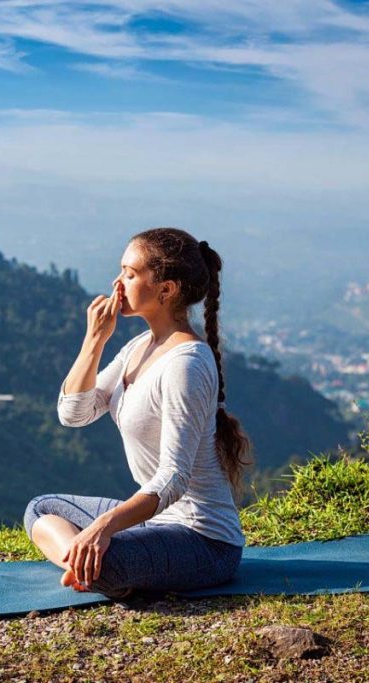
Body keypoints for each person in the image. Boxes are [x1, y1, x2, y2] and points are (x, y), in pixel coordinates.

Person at [23, 227, 253, 599]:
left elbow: (173, 479)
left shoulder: (186, 364)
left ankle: (90, 566)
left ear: (167, 290)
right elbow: (74, 413)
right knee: (42, 509)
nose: (117, 283)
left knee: (107, 558)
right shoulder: (138, 347)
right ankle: (84, 565)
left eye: (130, 274)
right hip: (156, 523)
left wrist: (104, 527)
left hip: (204, 542)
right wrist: (94, 340)